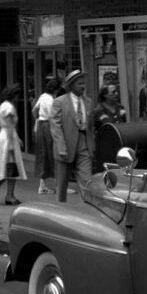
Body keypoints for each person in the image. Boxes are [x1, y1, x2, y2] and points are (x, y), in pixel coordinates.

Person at [50, 69, 94, 203]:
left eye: (84, 83)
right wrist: (61, 147)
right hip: (65, 144)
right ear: (71, 86)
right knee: (62, 183)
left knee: (87, 180)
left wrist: (92, 146)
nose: (83, 86)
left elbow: (90, 127)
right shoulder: (59, 102)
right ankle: (61, 209)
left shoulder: (88, 102)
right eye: (79, 83)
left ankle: (88, 207)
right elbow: (56, 127)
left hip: (83, 143)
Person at [0, 85, 27, 205]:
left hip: (4, 136)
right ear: (15, 95)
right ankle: (9, 195)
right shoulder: (9, 107)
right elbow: (9, 125)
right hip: (8, 138)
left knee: (7, 168)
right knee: (12, 168)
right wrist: (13, 142)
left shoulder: (3, 105)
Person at [92, 83, 127, 169]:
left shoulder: (120, 107)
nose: (116, 94)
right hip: (105, 148)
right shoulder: (98, 110)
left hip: (120, 145)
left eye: (117, 92)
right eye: (113, 92)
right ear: (105, 95)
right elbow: (92, 130)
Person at [32, 79, 57, 194]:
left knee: (42, 154)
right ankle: (49, 185)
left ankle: (42, 185)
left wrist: (37, 119)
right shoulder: (51, 100)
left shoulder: (43, 96)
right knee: (51, 154)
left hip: (41, 124)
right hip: (48, 126)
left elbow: (34, 110)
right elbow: (52, 117)